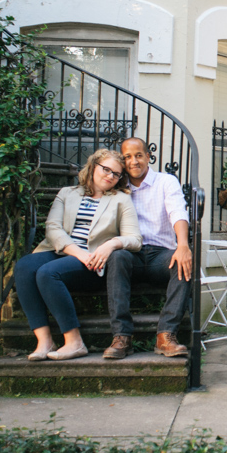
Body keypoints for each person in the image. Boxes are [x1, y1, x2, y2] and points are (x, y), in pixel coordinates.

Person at [14, 149, 142, 361]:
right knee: (24, 266)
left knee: (47, 273)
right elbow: (53, 228)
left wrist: (111, 244)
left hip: (92, 262)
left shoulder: (120, 200)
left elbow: (135, 239)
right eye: (106, 169)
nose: (110, 176)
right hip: (66, 252)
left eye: (116, 174)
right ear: (93, 167)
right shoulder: (67, 193)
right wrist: (78, 253)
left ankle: (74, 342)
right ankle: (44, 340)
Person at [103, 137, 193, 359]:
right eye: (127, 157)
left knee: (182, 261)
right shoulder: (117, 186)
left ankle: (166, 335)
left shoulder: (166, 181)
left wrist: (183, 245)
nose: (134, 161)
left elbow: (177, 212)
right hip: (129, 254)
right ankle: (121, 337)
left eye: (138, 155)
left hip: (159, 255)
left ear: (148, 157)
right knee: (117, 258)